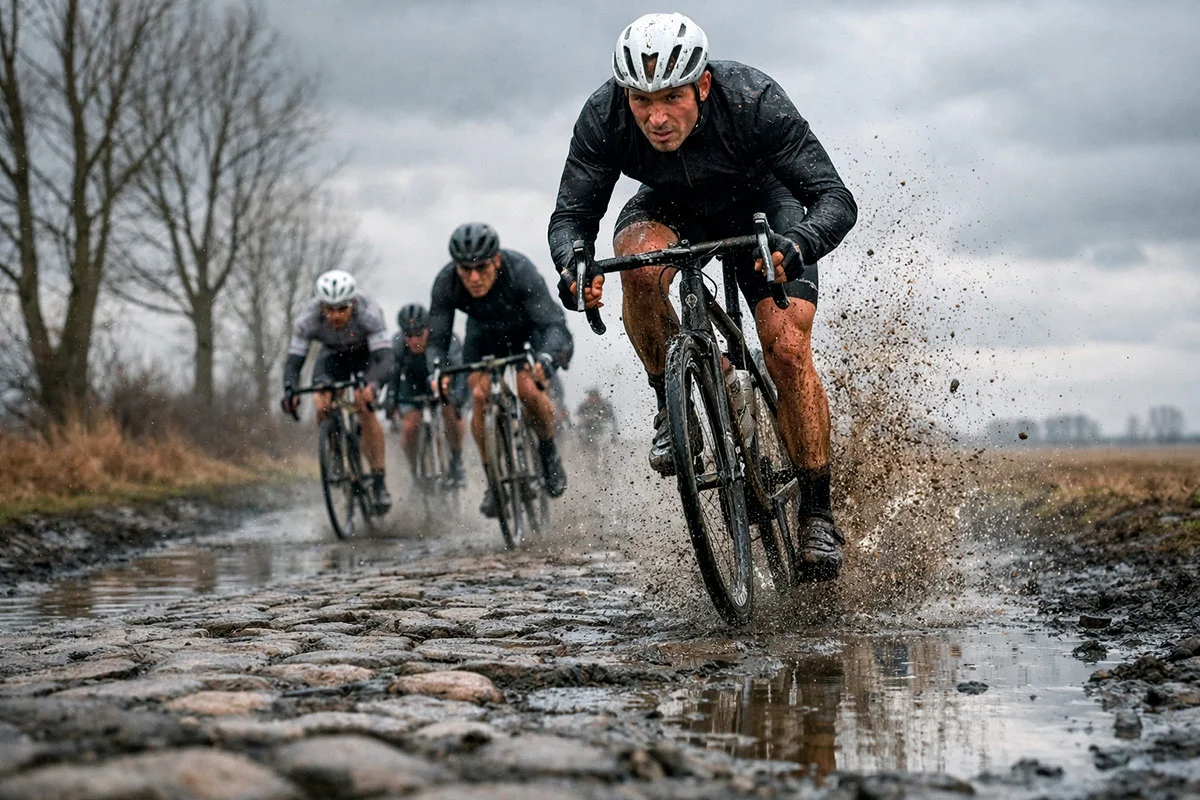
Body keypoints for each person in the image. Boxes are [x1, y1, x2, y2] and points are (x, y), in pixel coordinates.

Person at [549, 13, 857, 582]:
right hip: (670, 206)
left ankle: (817, 508)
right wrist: (573, 266)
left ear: (704, 86)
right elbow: (573, 216)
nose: (656, 117)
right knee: (637, 268)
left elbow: (835, 198)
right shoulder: (604, 115)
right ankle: (675, 406)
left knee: (786, 346)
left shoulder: (753, 99)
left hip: (764, 205)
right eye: (642, 101)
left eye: (671, 98)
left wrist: (802, 243)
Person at [429, 222, 574, 518]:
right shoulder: (446, 281)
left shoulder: (520, 270)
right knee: (479, 396)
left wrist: (546, 357)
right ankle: (494, 481)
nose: (473, 277)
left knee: (528, 390)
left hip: (526, 331)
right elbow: (437, 339)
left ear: (496, 259)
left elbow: (552, 324)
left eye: (481, 267)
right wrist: (437, 370)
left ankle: (547, 453)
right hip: (482, 335)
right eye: (465, 269)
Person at [281, 269, 394, 513]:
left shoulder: (369, 313)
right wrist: (290, 389)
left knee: (364, 406)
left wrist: (373, 386)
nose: (335, 316)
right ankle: (335, 455)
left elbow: (385, 359)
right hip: (333, 356)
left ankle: (378, 480)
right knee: (321, 401)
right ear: (320, 306)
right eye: (329, 309)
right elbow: (294, 362)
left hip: (366, 356)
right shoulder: (307, 319)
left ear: (352, 303)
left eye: (341, 309)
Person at [387, 302, 467, 487]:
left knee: (451, 410)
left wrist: (457, 396)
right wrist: (391, 400)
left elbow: (460, 371)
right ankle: (415, 471)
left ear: (428, 329)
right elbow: (393, 374)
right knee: (409, 427)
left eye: (419, 334)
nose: (414, 340)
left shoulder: (447, 339)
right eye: (409, 335)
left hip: (444, 380)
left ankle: (456, 459)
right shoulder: (398, 344)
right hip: (413, 383)